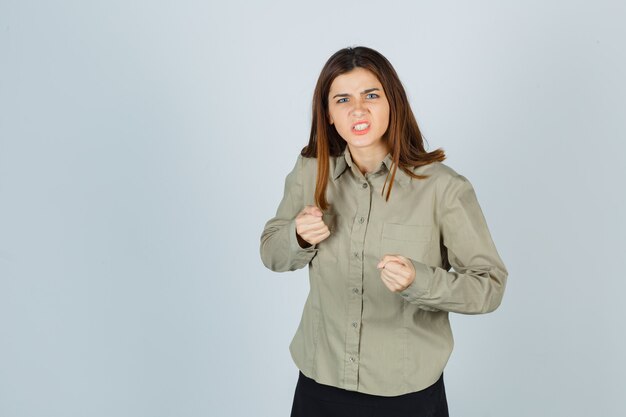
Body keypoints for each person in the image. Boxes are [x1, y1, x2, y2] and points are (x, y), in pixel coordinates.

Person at [259, 46, 508, 417]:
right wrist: (297, 235)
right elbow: (271, 254)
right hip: (318, 383)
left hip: (406, 394)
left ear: (392, 102)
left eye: (371, 95)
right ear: (328, 114)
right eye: (342, 99)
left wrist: (420, 282)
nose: (357, 109)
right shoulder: (311, 171)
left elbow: (490, 285)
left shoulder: (443, 188)